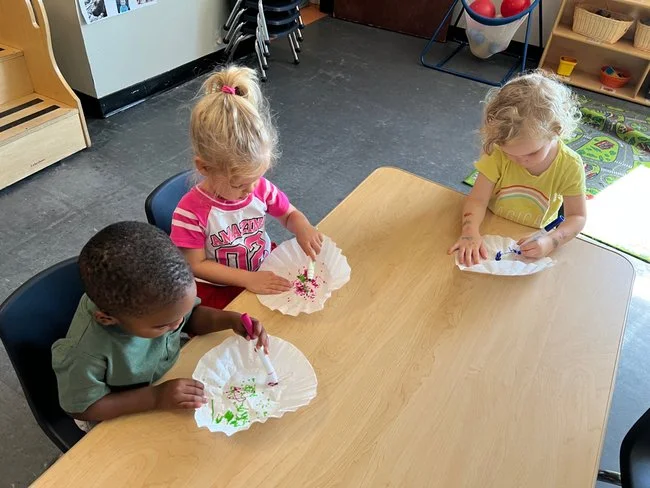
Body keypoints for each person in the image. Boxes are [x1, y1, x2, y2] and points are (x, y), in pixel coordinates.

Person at [52, 221, 268, 429]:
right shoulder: (86, 352)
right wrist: (156, 397)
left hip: (163, 381)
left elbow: (190, 317)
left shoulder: (165, 301)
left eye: (181, 314)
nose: (178, 325)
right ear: (107, 319)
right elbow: (83, 408)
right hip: (113, 407)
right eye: (163, 326)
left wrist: (230, 320)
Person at [170, 65, 322, 309]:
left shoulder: (259, 187)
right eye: (239, 184)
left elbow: (288, 213)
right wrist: (248, 279)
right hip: (219, 287)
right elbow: (197, 265)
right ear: (204, 168)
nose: (252, 190)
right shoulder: (190, 212)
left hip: (262, 266)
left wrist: (302, 226)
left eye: (257, 178)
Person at [449, 71, 587, 266]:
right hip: (489, 224)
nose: (521, 161)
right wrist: (470, 232)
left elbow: (577, 216)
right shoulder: (497, 152)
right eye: (510, 154)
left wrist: (551, 241)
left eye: (532, 153)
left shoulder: (570, 165)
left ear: (556, 132)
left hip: (532, 236)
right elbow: (478, 199)